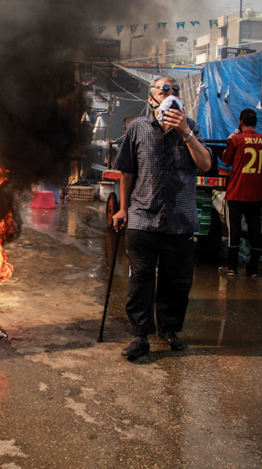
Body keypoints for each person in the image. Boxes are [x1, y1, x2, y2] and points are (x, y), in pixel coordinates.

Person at [112, 77, 212, 358]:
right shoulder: (137, 127)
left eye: (175, 90)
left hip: (180, 220)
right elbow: (127, 170)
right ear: (151, 98)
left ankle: (169, 329)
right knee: (140, 278)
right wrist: (123, 208)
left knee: (176, 280)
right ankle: (140, 335)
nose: (171, 94)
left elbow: (205, 164)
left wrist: (185, 132)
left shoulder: (191, 127)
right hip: (143, 216)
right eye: (164, 89)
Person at [219, 109, 262, 277]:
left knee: (234, 230)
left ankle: (232, 267)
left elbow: (226, 161)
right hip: (255, 194)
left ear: (240, 122)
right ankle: (253, 269)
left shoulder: (236, 139)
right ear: (255, 122)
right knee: (255, 230)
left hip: (236, 192)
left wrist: (230, 140)